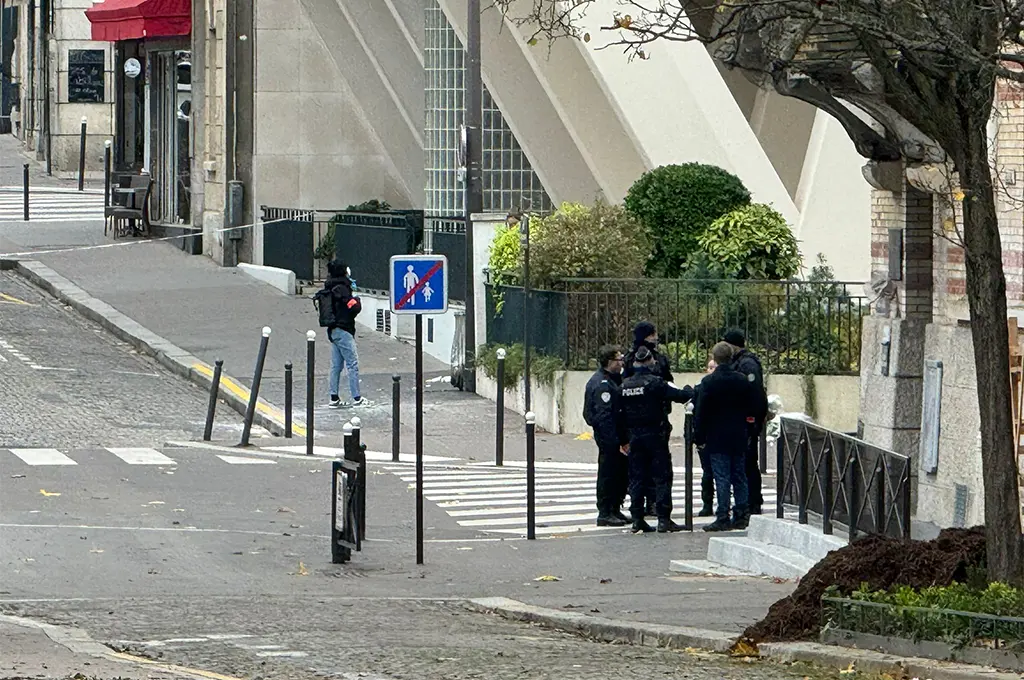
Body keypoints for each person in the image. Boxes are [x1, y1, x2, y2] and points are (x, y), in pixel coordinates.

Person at [619, 346, 695, 533]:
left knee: (637, 478)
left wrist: (623, 439)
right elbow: (681, 396)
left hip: (634, 436)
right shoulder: (656, 383)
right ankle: (663, 519)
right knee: (661, 476)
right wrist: (689, 389)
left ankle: (637, 519)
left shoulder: (624, 386)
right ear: (649, 362)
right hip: (655, 436)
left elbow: (618, 414)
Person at [694, 342, 767, 531]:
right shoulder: (742, 380)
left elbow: (701, 411)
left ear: (715, 358)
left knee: (722, 476)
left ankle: (722, 516)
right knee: (739, 475)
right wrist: (751, 427)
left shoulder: (708, 382)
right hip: (738, 434)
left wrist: (699, 436)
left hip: (716, 435)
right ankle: (741, 513)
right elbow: (752, 405)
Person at [623, 321, 673, 517]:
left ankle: (637, 513)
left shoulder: (630, 358)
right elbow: (668, 385)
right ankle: (655, 507)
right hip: (654, 422)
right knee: (658, 469)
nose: (656, 337)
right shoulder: (655, 360)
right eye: (653, 334)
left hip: (636, 424)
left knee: (638, 469)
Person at [583, 345, 630, 526]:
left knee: (619, 474)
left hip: (617, 436)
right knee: (608, 474)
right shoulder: (602, 384)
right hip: (610, 438)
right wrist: (615, 442)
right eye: (619, 360)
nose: (622, 363)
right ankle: (605, 511)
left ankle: (615, 508)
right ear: (610, 362)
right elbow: (603, 417)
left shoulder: (613, 380)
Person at [724, 329, 769, 514]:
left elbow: (755, 393)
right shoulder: (739, 362)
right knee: (744, 462)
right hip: (742, 420)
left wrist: (753, 418)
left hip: (747, 421)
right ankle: (749, 500)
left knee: (748, 462)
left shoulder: (747, 364)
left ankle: (753, 501)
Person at [321, 260, 372, 409]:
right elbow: (353, 307)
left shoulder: (331, 286)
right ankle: (357, 398)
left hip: (334, 330)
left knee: (336, 366)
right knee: (352, 364)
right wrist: (357, 300)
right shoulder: (342, 288)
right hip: (344, 330)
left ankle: (334, 398)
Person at [694, 356, 717, 517]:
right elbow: (694, 414)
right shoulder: (699, 388)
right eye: (710, 367)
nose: (712, 370)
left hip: (718, 435)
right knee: (707, 472)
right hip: (705, 437)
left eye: (715, 367)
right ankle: (707, 503)